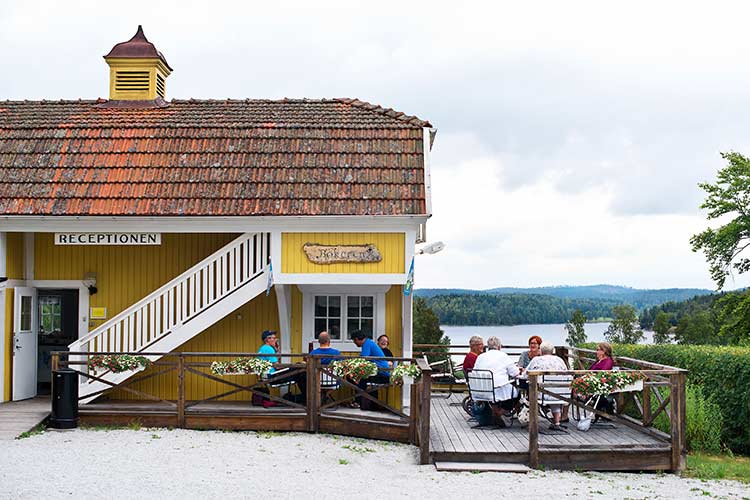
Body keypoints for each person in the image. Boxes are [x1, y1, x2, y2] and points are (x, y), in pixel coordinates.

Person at [472, 336, 520, 424]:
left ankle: (495, 412)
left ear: (488, 346)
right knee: (517, 394)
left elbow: (474, 371)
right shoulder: (503, 356)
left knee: (498, 391)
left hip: (479, 390)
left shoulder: (480, 357)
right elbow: (515, 373)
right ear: (499, 346)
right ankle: (499, 413)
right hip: (495, 390)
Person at [525, 341, 569, 430]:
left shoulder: (536, 360)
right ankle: (557, 422)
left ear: (540, 350)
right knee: (553, 390)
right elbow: (566, 374)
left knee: (532, 390)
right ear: (552, 351)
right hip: (559, 394)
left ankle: (533, 422)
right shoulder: (559, 360)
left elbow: (526, 374)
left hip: (541, 394)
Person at [257, 330, 307, 403]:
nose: (275, 340)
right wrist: (293, 365)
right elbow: (277, 366)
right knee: (301, 372)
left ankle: (305, 398)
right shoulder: (269, 349)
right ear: (267, 340)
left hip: (267, 376)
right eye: (273, 338)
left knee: (300, 371)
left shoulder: (263, 348)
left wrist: (277, 351)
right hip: (273, 377)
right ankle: (307, 398)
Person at [351, 330, 390, 408]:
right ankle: (363, 402)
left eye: (354, 341)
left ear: (357, 339)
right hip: (380, 372)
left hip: (382, 373)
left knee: (359, 379)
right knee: (359, 378)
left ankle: (358, 402)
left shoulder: (367, 344)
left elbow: (362, 359)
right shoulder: (369, 342)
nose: (355, 343)